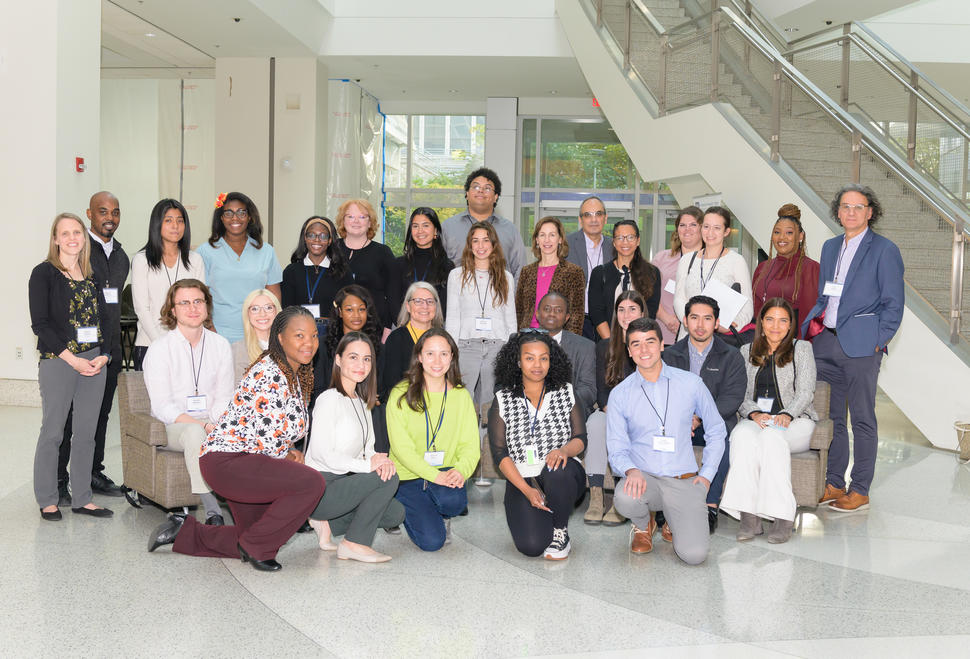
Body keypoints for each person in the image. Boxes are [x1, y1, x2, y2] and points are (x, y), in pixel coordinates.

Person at [147, 307, 326, 572]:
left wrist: (289, 450)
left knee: (255, 536)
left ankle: (185, 532)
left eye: (313, 335)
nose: (308, 342)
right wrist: (290, 456)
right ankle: (255, 547)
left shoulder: (294, 372)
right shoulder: (271, 373)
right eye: (299, 335)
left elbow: (273, 428)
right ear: (280, 338)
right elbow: (269, 441)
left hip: (245, 460)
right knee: (311, 483)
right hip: (230, 462)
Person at [802, 184, 904, 512]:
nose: (851, 212)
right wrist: (810, 328)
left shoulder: (884, 250)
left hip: (861, 347)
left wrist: (878, 340)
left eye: (858, 207)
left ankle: (860, 488)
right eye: (845, 206)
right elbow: (825, 295)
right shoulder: (831, 247)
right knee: (831, 418)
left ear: (870, 212)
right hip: (826, 341)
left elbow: (894, 303)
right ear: (838, 211)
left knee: (862, 418)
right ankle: (835, 482)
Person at [606, 318, 726, 565]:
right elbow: (616, 447)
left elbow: (716, 429)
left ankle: (673, 519)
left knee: (694, 556)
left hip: (682, 479)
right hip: (644, 478)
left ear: (662, 344)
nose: (644, 350)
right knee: (625, 497)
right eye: (636, 344)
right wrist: (630, 471)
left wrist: (706, 476)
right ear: (629, 351)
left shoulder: (691, 383)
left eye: (650, 342)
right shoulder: (620, 394)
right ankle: (643, 525)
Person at [29, 213, 115, 521]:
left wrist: (104, 355)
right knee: (53, 432)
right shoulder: (44, 273)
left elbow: (106, 319)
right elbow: (40, 324)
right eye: (64, 233)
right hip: (60, 361)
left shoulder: (92, 276)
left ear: (84, 237)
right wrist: (71, 358)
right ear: (55, 239)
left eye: (76, 232)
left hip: (94, 361)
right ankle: (48, 499)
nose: (72, 238)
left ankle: (82, 497)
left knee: (86, 433)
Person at [721, 298, 818, 543]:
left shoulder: (802, 348)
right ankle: (748, 517)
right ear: (761, 323)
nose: (776, 326)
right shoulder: (746, 351)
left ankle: (782, 516)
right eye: (770, 319)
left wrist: (786, 414)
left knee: (772, 437)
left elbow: (806, 391)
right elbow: (739, 391)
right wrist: (753, 412)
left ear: (790, 325)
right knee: (741, 436)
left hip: (796, 422)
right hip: (758, 420)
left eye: (783, 320)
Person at [305, 332, 405, 563]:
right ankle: (354, 543)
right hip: (320, 486)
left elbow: (369, 448)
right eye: (353, 357)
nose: (361, 365)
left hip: (343, 482)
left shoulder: (362, 402)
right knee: (388, 480)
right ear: (338, 360)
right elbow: (323, 454)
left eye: (367, 359)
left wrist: (380, 462)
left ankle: (328, 523)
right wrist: (368, 466)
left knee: (395, 514)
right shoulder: (329, 399)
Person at [57, 191, 130, 503]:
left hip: (109, 352)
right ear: (90, 214)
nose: (109, 217)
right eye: (102, 211)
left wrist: (111, 351)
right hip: (78, 353)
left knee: (100, 414)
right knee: (68, 418)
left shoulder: (122, 256)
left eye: (114, 212)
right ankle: (59, 480)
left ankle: (91, 473)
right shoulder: (78, 249)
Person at [142, 279, 234, 525]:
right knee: (195, 432)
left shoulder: (221, 345)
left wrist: (216, 424)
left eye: (198, 301)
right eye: (184, 303)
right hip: (174, 426)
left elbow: (224, 395)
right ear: (172, 310)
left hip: (211, 420)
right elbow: (162, 407)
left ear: (207, 306)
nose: (192, 308)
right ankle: (213, 509)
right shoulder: (160, 349)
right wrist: (203, 426)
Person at [489, 332, 587, 559]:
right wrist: (526, 490)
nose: (537, 365)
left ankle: (560, 530)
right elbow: (499, 453)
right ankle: (546, 521)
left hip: (563, 474)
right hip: (523, 478)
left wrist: (564, 450)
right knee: (532, 547)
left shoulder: (566, 391)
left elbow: (581, 438)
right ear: (517, 361)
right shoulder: (503, 398)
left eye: (544, 358)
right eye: (530, 358)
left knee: (557, 471)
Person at [386, 329, 480, 551]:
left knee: (454, 502)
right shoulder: (400, 393)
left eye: (444, 354)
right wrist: (435, 476)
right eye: (430, 354)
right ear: (419, 357)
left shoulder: (461, 396)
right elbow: (402, 449)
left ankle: (437, 510)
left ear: (452, 357)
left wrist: (461, 471)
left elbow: (470, 446)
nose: (437, 361)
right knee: (432, 543)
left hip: (445, 470)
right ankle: (401, 506)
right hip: (408, 476)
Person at [661, 295, 746, 535]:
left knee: (726, 435)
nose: (700, 324)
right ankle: (665, 506)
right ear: (685, 321)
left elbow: (732, 397)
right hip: (680, 423)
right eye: (694, 318)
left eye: (707, 318)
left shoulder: (731, 356)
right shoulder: (670, 355)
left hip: (715, 422)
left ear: (716, 322)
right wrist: (682, 419)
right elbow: (664, 393)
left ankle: (710, 506)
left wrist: (699, 417)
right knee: (661, 434)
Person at [584, 290, 644, 525]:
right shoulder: (604, 347)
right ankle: (596, 497)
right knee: (595, 422)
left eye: (632, 309)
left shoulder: (649, 345)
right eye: (621, 309)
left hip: (640, 414)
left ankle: (621, 500)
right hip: (610, 410)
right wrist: (611, 409)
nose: (626, 315)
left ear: (641, 312)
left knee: (630, 428)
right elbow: (601, 388)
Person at [445, 221, 516, 415]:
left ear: (493, 244)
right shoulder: (456, 275)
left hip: (497, 345)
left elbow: (510, 318)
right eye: (475, 241)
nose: (481, 246)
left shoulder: (506, 277)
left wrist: (511, 349)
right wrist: (450, 350)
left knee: (490, 404)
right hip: (466, 345)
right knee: (464, 403)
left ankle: (487, 443)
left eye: (486, 240)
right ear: (469, 245)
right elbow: (452, 316)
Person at [195, 191, 283, 343]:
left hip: (258, 334)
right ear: (221, 218)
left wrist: (269, 331)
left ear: (250, 217)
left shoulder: (266, 251)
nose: (235, 218)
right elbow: (199, 296)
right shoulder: (205, 252)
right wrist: (210, 331)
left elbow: (274, 298)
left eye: (241, 212)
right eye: (228, 213)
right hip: (217, 334)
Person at [131, 198, 206, 369]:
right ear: (157, 224)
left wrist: (186, 342)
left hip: (189, 346)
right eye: (168, 220)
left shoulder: (195, 260)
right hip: (150, 344)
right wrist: (163, 344)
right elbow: (142, 309)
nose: (175, 226)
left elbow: (200, 305)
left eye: (180, 221)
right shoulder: (142, 260)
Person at [673, 206, 753, 343]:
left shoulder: (736, 261)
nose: (710, 233)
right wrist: (692, 323)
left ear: (726, 231)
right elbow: (679, 299)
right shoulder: (687, 260)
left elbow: (747, 304)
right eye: (706, 227)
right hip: (687, 337)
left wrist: (733, 324)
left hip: (720, 338)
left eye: (717, 228)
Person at [441, 167, 527, 280]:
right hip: (457, 296)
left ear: (496, 197)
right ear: (467, 194)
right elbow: (437, 268)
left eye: (487, 188)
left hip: (500, 295)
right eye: (476, 186)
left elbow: (520, 269)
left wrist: (511, 296)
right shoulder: (448, 227)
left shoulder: (510, 230)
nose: (480, 190)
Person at [752, 204, 820, 338]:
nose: (782, 238)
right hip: (763, 341)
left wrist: (801, 349)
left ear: (800, 236)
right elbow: (755, 309)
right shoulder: (762, 267)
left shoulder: (810, 268)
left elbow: (810, 316)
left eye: (789, 233)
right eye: (777, 232)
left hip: (791, 343)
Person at [588, 220, 661, 339]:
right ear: (614, 242)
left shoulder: (652, 273)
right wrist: (611, 343)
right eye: (620, 238)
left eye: (630, 237)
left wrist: (635, 341)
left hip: (640, 342)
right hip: (608, 343)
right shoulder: (600, 273)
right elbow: (597, 314)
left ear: (638, 240)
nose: (625, 242)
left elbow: (650, 312)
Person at [335, 198, 399, 333]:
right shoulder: (331, 250)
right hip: (337, 327)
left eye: (362, 217)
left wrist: (387, 330)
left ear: (370, 222)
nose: (356, 221)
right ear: (343, 220)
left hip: (374, 328)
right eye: (350, 216)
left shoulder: (383, 253)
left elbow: (393, 296)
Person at [515, 216, 585, 335]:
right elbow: (519, 310)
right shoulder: (526, 271)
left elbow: (576, 314)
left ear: (560, 239)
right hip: (528, 335)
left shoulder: (573, 272)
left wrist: (569, 342)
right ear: (537, 239)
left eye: (552, 235)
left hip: (557, 337)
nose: (547, 240)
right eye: (542, 235)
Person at [313, 285, 383, 404]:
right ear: (340, 312)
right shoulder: (324, 345)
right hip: (332, 408)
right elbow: (318, 389)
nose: (356, 315)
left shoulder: (377, 347)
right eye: (349, 309)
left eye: (361, 309)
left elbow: (380, 390)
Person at [379, 281, 444, 404]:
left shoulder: (443, 339)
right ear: (408, 306)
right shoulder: (396, 339)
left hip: (438, 404)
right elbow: (391, 384)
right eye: (418, 301)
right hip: (405, 404)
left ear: (436, 306)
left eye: (430, 301)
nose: (425, 306)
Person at [534, 292, 596, 418]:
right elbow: (502, 384)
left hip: (568, 412)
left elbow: (589, 389)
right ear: (537, 314)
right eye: (547, 309)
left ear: (567, 317)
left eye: (558, 310)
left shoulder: (585, 347)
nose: (552, 313)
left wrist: (559, 403)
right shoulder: (519, 343)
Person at [280, 216, 351, 324]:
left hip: (333, 335)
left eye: (323, 236)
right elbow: (286, 310)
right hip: (300, 332)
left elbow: (347, 309)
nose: (317, 240)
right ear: (305, 238)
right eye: (311, 235)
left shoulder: (342, 272)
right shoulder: (291, 272)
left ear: (329, 240)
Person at [566, 196, 616, 340]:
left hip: (608, 322)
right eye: (588, 215)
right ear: (580, 220)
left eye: (598, 214)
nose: (593, 220)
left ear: (605, 218)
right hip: (576, 322)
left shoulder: (615, 247)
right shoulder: (566, 245)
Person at [652, 206, 703, 345]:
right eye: (682, 225)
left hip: (699, 335)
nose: (687, 229)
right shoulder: (661, 258)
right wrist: (667, 319)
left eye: (693, 225)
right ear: (677, 230)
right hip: (663, 332)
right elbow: (648, 293)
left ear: (702, 229)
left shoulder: (711, 261)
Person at [392, 207, 454, 318]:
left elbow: (446, 306)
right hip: (405, 327)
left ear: (435, 231)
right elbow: (394, 303)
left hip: (435, 328)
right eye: (415, 226)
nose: (420, 231)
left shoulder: (447, 266)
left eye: (426, 225)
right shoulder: (399, 264)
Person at [231, 289, 281, 384]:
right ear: (247, 314)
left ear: (277, 311)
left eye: (268, 308)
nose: (262, 314)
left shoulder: (290, 347)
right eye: (255, 309)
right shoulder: (237, 350)